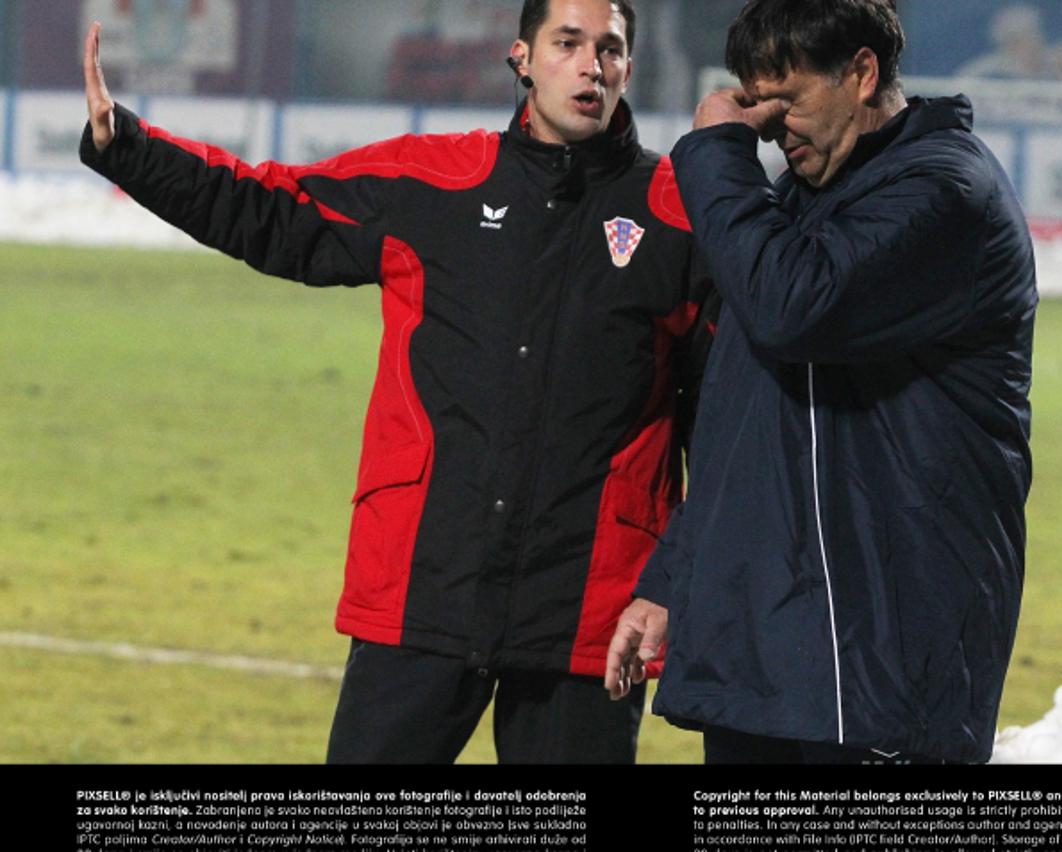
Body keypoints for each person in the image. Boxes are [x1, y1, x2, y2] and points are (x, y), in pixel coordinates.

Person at [81, 0, 715, 764]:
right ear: (521, 57)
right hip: (424, 590)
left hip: (589, 616)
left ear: (629, 68)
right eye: (568, 43)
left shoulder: (682, 217)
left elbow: (724, 428)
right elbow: (270, 207)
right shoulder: (431, 182)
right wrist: (127, 146)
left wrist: (671, 582)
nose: (590, 65)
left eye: (609, 49)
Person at [606, 0, 1037, 765]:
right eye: (755, 102)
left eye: (788, 98)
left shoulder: (945, 192)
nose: (769, 125)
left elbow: (792, 309)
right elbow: (746, 412)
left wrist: (716, 152)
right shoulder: (807, 204)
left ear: (863, 73)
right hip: (778, 648)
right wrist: (674, 577)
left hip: (885, 656)